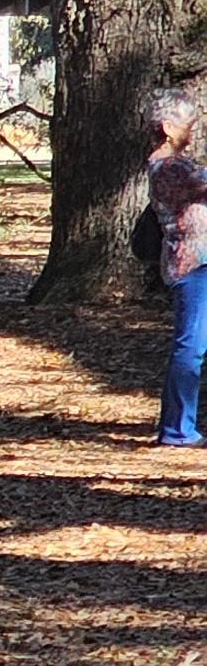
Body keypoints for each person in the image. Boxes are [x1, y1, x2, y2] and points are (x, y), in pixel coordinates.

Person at [150, 91, 207, 444]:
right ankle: (177, 429)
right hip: (193, 265)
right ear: (168, 127)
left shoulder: (175, 166)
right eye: (188, 123)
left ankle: (180, 424)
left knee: (194, 344)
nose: (192, 129)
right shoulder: (170, 168)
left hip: (196, 262)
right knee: (191, 346)